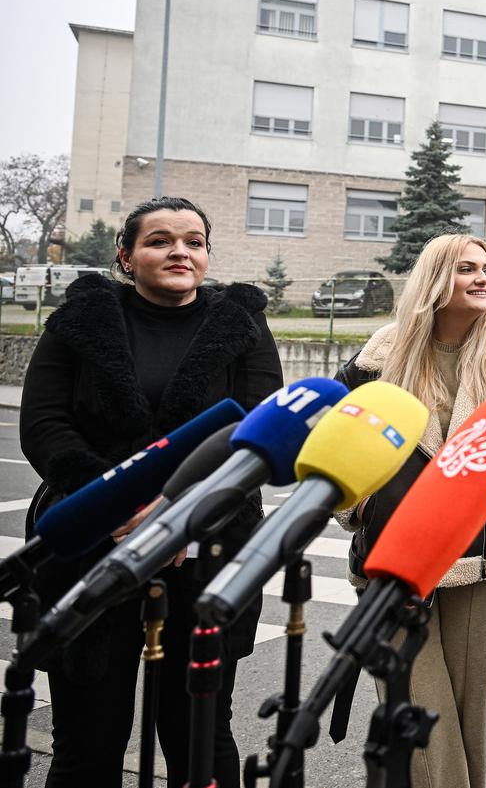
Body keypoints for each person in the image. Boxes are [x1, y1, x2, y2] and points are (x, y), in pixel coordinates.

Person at [20, 196, 283, 788]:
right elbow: (43, 423)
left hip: (208, 542)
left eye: (193, 241)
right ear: (126, 255)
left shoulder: (241, 323)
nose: (179, 251)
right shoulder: (82, 320)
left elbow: (258, 429)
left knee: (201, 731)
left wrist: (177, 516)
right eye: (160, 240)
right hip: (91, 537)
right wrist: (110, 504)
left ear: (207, 256)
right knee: (88, 737)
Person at [335, 233, 486, 788]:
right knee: (416, 701)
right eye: (467, 269)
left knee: (466, 713)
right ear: (435, 279)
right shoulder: (376, 359)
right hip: (391, 559)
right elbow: (334, 438)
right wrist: (364, 505)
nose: (484, 278)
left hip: (479, 559)